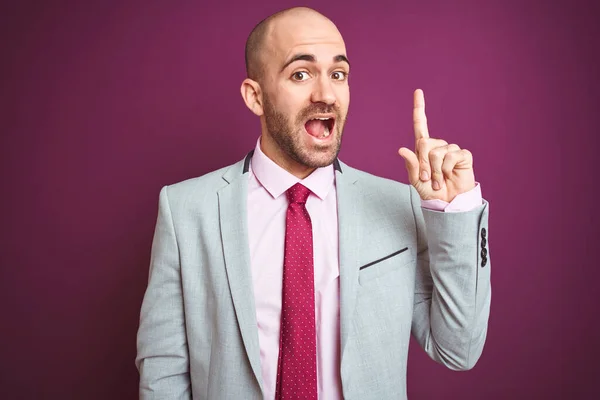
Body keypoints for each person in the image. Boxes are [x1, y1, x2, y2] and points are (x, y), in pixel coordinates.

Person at [135, 6, 491, 400]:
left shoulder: (399, 205)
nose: (325, 94)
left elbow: (458, 349)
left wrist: (454, 210)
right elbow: (163, 370)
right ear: (256, 96)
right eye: (300, 74)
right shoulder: (185, 210)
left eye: (338, 75)